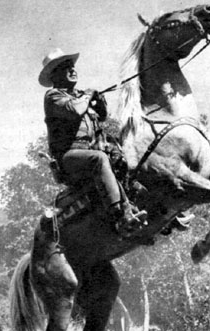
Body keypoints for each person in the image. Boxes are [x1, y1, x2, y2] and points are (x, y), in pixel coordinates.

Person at [39, 48, 146, 237]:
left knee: (125, 156)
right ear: (54, 75)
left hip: (90, 151)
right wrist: (88, 95)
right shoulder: (54, 96)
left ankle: (145, 204)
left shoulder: (79, 96)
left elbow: (102, 116)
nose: (72, 70)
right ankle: (120, 214)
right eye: (66, 68)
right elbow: (75, 110)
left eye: (72, 66)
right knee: (99, 159)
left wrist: (99, 102)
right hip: (69, 157)